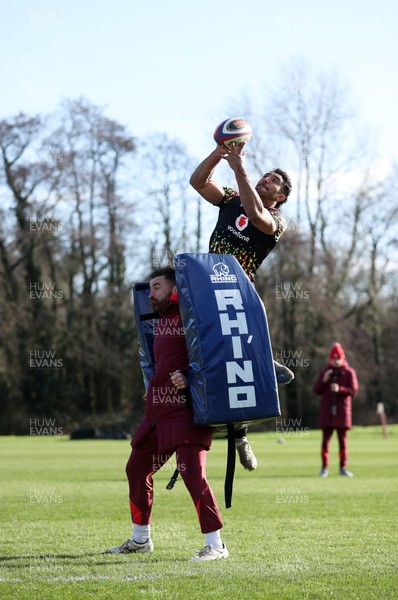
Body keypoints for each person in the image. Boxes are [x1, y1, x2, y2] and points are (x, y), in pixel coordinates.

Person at [104, 267, 228, 561]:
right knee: (136, 468)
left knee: (192, 474)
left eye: (157, 287)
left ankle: (217, 544)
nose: (151, 293)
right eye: (149, 288)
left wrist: (188, 376)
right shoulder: (161, 321)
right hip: (158, 414)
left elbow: (214, 356)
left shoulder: (191, 313)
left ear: (174, 288)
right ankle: (140, 539)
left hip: (187, 412)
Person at [190, 142, 294, 471]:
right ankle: (262, 360)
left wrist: (240, 169)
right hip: (205, 284)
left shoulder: (276, 219)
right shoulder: (233, 197)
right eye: (265, 175)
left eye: (274, 180)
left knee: (236, 365)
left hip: (236, 289)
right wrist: (219, 153)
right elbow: (198, 181)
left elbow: (255, 215)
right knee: (205, 358)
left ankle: (241, 435)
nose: (267, 179)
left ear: (281, 196)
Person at [314, 342, 359, 477]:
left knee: (343, 443)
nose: (337, 361)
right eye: (334, 358)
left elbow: (354, 390)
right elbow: (317, 390)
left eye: (339, 358)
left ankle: (343, 468)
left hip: (342, 413)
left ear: (343, 358)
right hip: (327, 414)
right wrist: (324, 380)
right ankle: (324, 468)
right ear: (330, 359)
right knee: (325, 443)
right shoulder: (325, 372)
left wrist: (340, 389)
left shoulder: (349, 372)